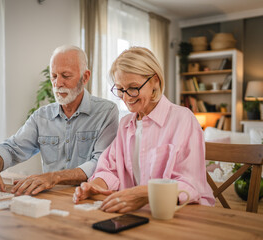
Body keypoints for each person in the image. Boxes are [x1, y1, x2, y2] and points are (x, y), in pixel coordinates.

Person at [73, 47, 215, 213]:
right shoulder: (126, 124)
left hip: (181, 213)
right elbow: (110, 169)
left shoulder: (183, 119)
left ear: (155, 80)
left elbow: (190, 183)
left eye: (133, 88)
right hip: (140, 214)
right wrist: (95, 186)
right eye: (120, 89)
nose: (126, 98)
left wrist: (142, 193)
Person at [0, 45, 119, 197]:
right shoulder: (41, 117)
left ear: (85, 77)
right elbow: (11, 148)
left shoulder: (106, 112)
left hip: (89, 197)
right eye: (54, 76)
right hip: (52, 198)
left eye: (66, 76)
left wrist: (55, 177)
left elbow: (101, 163)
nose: (57, 83)